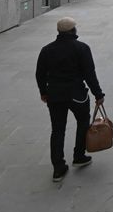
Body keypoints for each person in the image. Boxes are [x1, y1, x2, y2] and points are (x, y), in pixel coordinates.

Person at [36, 17, 105, 183]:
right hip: (77, 94)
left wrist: (43, 92)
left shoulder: (47, 50)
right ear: (73, 31)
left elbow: (39, 74)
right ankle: (79, 155)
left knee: (57, 130)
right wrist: (98, 94)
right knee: (83, 123)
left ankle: (58, 167)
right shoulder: (81, 48)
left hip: (54, 95)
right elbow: (90, 74)